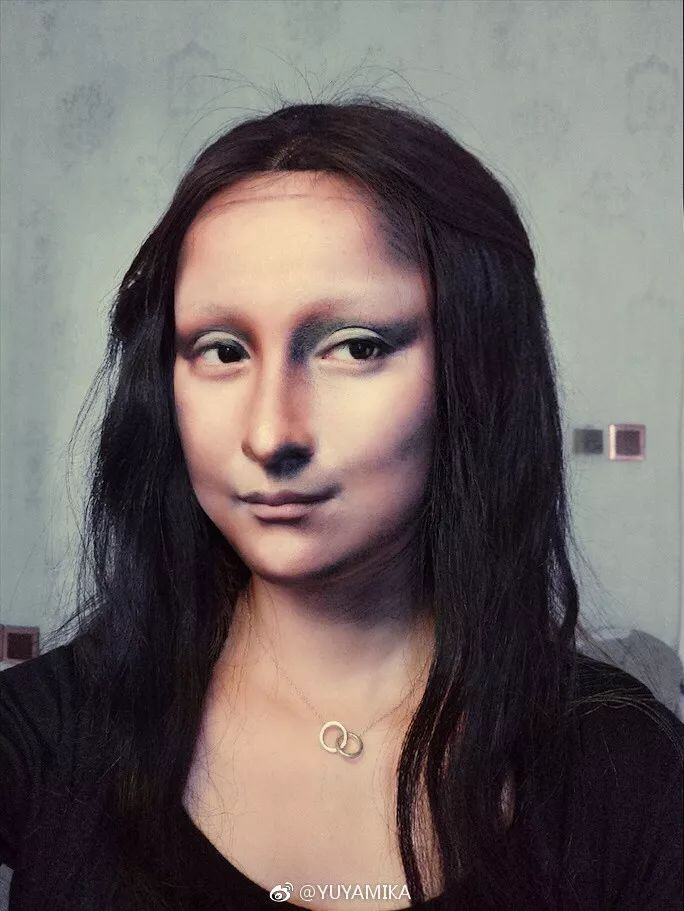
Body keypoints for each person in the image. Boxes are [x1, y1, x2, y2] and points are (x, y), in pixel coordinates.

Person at [1, 97, 682, 911]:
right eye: (223, 350)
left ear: (478, 369)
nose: (270, 433)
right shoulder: (46, 732)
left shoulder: (629, 770)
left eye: (355, 347)